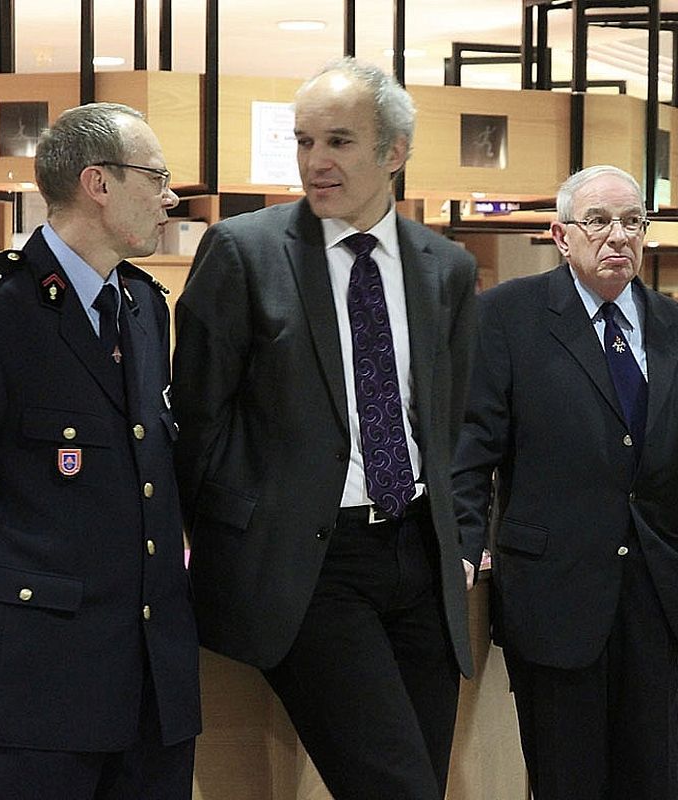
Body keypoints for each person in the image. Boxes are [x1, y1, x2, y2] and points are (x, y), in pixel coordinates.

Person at [171, 57, 476, 800]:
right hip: (310, 566)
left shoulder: (447, 267)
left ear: (394, 151)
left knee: (422, 783)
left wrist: (462, 539)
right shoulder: (243, 251)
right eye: (304, 141)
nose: (316, 162)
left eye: (338, 141)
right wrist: (236, 540)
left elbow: (452, 423)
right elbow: (198, 420)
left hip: (419, 559)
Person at [0, 102, 201, 800]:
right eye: (158, 176)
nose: (171, 198)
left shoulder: (145, 307)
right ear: (99, 183)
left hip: (149, 695)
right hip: (26, 689)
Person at [452, 164, 678, 800]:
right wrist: (461, 546)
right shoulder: (506, 317)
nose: (618, 236)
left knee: (654, 783)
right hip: (552, 595)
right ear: (561, 235)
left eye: (633, 222)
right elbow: (471, 450)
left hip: (656, 598)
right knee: (567, 781)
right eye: (599, 221)